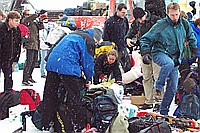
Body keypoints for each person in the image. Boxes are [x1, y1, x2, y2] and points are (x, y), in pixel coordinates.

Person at [140, 2, 197, 116]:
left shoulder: (184, 23)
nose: (175, 18)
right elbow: (145, 39)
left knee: (172, 88)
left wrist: (193, 48)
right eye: (172, 15)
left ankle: (164, 112)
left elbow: (190, 36)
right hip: (160, 52)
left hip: (175, 57)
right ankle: (158, 87)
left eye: (176, 15)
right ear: (167, 13)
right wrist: (146, 52)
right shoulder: (161, 24)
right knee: (168, 64)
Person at [41, 28, 102, 132]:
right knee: (74, 97)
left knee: (50, 95)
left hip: (52, 64)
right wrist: (88, 78)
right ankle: (76, 125)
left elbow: (53, 49)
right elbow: (88, 62)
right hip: (67, 67)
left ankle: (46, 123)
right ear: (95, 37)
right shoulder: (88, 40)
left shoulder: (71, 34)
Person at [125, 7, 161, 110]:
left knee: (158, 77)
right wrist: (127, 38)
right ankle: (149, 100)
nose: (141, 21)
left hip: (157, 52)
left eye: (142, 18)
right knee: (146, 77)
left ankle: (159, 100)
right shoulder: (137, 22)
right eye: (139, 19)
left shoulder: (155, 20)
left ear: (145, 14)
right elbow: (131, 31)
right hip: (144, 53)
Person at [102, 3, 132, 73]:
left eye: (125, 13)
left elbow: (127, 32)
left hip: (123, 46)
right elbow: (105, 36)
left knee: (128, 66)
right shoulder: (110, 21)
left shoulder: (125, 20)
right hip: (114, 48)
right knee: (113, 67)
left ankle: (129, 81)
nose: (124, 14)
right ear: (118, 11)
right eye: (123, 12)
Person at [21, 10, 44, 86]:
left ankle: (29, 76)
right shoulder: (25, 21)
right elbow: (26, 20)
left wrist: (40, 20)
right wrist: (36, 14)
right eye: (27, 14)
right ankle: (25, 79)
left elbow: (41, 27)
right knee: (29, 62)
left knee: (34, 62)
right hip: (30, 44)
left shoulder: (33, 22)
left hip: (36, 44)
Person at [0, 11, 22, 91]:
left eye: (18, 21)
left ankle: (7, 97)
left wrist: (15, 59)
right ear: (10, 20)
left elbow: (18, 45)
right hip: (2, 56)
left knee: (9, 80)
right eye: (16, 21)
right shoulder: (2, 28)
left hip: (9, 59)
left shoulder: (17, 30)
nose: (18, 23)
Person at [39, 14, 50, 78]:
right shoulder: (41, 28)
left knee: (48, 59)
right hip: (43, 46)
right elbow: (41, 37)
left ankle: (47, 72)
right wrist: (44, 44)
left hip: (49, 45)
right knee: (43, 60)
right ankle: (42, 72)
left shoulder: (49, 26)